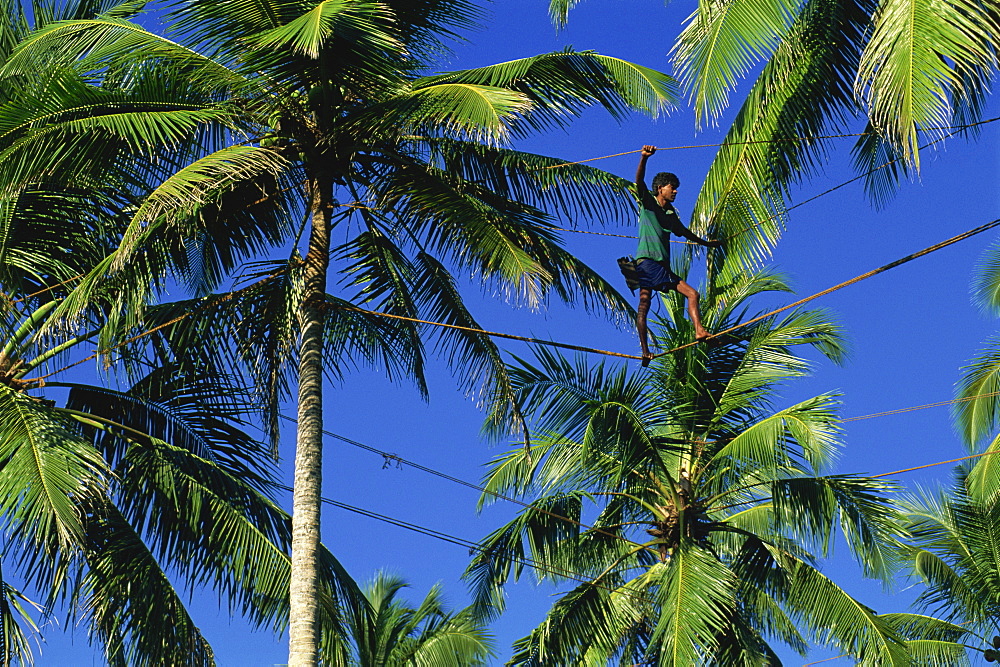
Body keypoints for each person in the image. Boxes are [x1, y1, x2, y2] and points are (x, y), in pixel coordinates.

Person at [634, 144, 721, 366]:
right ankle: (699, 330)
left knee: (646, 306)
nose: (676, 191)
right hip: (649, 263)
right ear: (661, 188)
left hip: (652, 266)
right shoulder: (649, 203)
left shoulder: (670, 214)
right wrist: (644, 158)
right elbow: (639, 182)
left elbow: (685, 232)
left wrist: (707, 244)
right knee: (688, 295)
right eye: (672, 187)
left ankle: (646, 352)